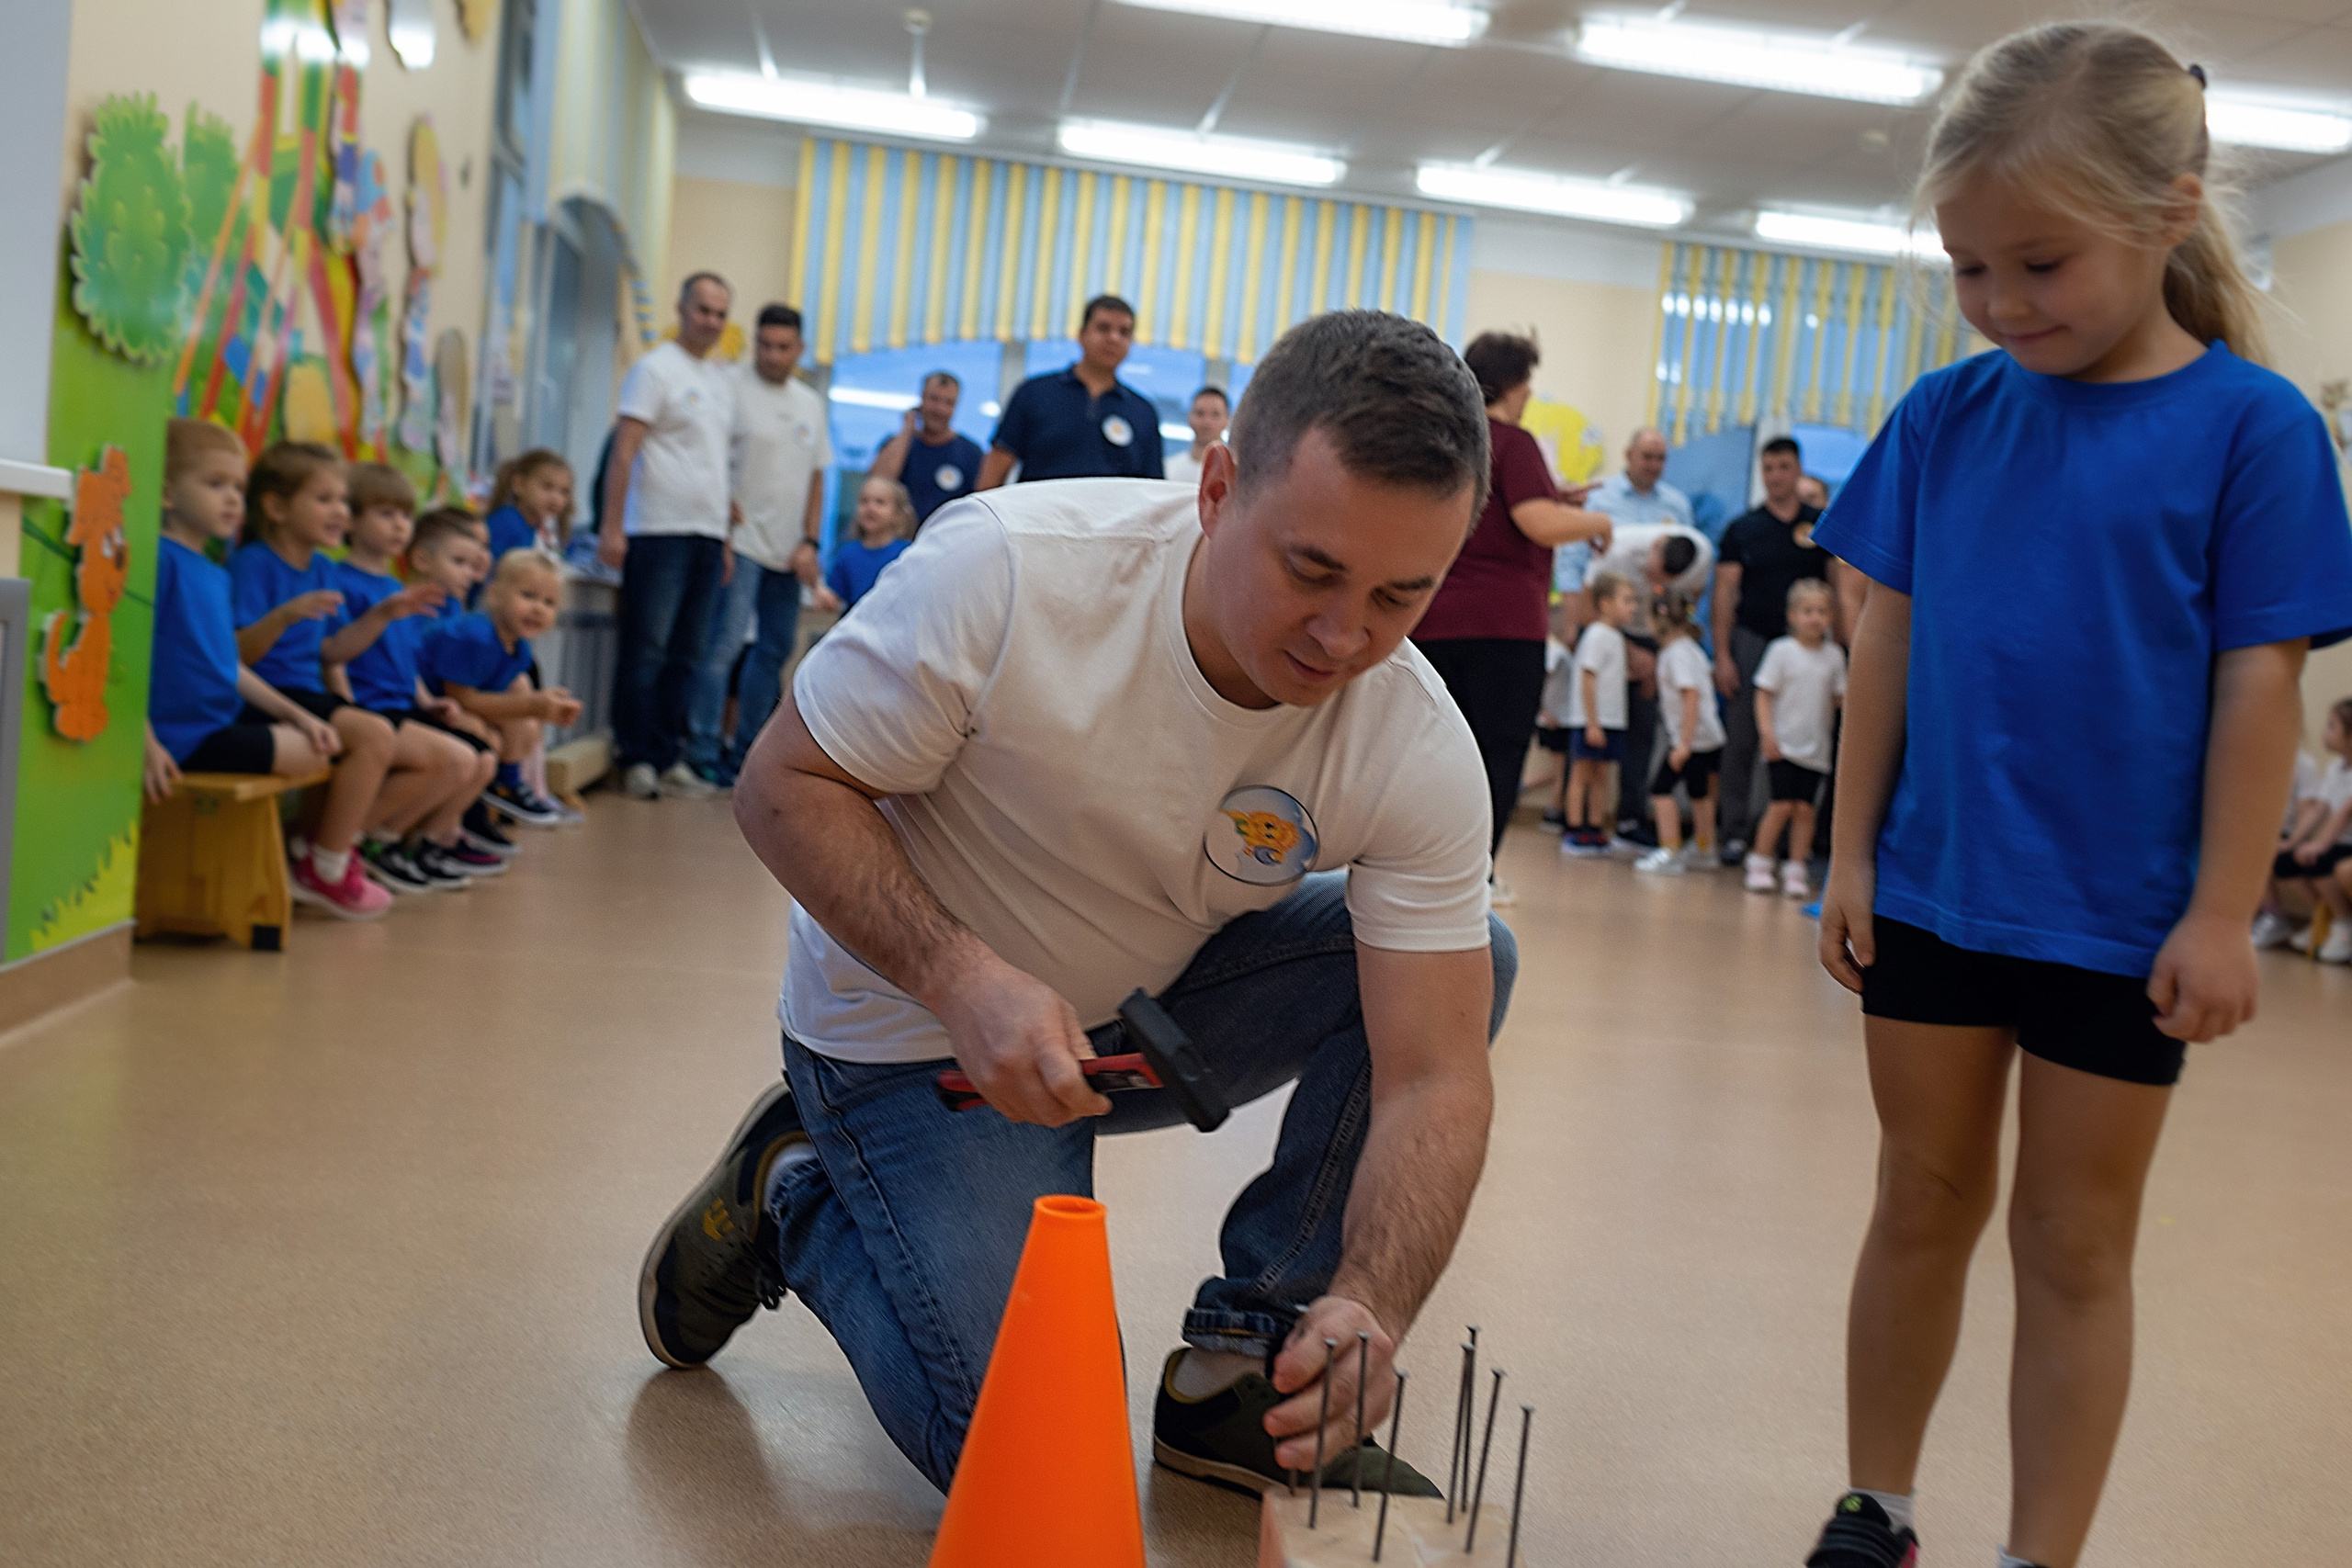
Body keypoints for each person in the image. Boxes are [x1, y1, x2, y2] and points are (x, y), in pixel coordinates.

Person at [636, 310, 1514, 1506]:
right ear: (1215, 489)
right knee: (1045, 1466)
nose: (1344, 635)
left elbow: (1432, 1074)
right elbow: (783, 786)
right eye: (1310, 569)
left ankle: (1247, 1368)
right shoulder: (1008, 567)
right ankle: (793, 1190)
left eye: (1400, 596)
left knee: (1476, 957)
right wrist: (958, 974)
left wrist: (1371, 1294)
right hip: (912, 1035)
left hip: (1144, 1009)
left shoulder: (1413, 736)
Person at [1810, 22, 2352, 1568]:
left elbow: (2263, 683)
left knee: (2071, 1237)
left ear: (2167, 215)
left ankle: (2037, 1552)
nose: (2000, 304)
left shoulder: (2255, 430)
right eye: (1970, 268)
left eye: (2040, 264)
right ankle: (1877, 1506)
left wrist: (2224, 912)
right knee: (1919, 1196)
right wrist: (1848, 854)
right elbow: (1887, 634)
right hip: (1932, 888)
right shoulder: (1945, 417)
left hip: (2122, 919)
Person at [144, 423, 388, 919]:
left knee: (318, 742)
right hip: (181, 737)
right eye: (215, 485)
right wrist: (145, 742)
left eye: (237, 486)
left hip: (215, 724)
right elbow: (124, 659)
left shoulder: (210, 570)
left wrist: (295, 714)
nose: (233, 499)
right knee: (319, 750)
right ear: (166, 493)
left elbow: (224, 665)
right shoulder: (160, 560)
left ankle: (314, 862)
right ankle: (314, 864)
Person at [1411, 331, 1613, 905]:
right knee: (1494, 755)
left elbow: (1510, 508)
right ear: (1513, 383)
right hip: (1502, 629)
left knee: (1429, 751)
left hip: (1436, 621)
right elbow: (1537, 524)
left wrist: (1556, 499)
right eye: (1527, 382)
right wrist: (1598, 523)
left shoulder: (1455, 439)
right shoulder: (1516, 442)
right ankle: (1474, 875)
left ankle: (1412, 865)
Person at [230, 443, 447, 919]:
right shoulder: (254, 563)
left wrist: (384, 614)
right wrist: (283, 616)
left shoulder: (323, 568)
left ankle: (322, 852)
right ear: (276, 507)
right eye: (325, 500)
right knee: (372, 735)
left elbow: (332, 650)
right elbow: (238, 655)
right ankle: (326, 864)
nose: (340, 513)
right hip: (263, 695)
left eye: (343, 502)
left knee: (381, 738)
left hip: (304, 691)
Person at [327, 463, 504, 891]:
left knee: (474, 757)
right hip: (369, 708)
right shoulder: (338, 580)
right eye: (386, 514)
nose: (400, 526)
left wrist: (426, 701)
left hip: (401, 705)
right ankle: (352, 841)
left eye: (405, 516)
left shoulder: (394, 587)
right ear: (351, 519)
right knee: (457, 759)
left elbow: (403, 658)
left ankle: (388, 841)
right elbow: (333, 655)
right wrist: (347, 709)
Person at [600, 272, 737, 803]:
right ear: (681, 308)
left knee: (688, 653)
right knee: (647, 649)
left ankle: (668, 754)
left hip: (706, 535)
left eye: (721, 313)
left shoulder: (721, 381)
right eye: (703, 309)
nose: (711, 321)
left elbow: (719, 466)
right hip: (657, 530)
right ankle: (634, 757)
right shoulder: (654, 370)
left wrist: (724, 538)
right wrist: (613, 526)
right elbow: (624, 452)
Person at [694, 303, 830, 787]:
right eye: (764, 345)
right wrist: (723, 527)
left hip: (788, 550)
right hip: (740, 541)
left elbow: (817, 479)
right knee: (724, 646)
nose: (771, 355)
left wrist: (811, 541)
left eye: (782, 347)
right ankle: (703, 749)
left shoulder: (810, 403)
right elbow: (709, 460)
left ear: (800, 349)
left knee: (773, 650)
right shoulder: (729, 388)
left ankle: (748, 754)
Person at [1713, 435, 1828, 863]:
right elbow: (1725, 594)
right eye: (1769, 468)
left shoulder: (1821, 526)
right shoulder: (1744, 529)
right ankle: (1736, 833)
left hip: (1810, 649)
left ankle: (1794, 840)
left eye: (1784, 467)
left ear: (1798, 470)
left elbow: (1839, 589)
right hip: (1753, 643)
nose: (1776, 476)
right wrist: (1723, 654)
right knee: (1743, 739)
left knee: (1806, 742)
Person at [1581, 521, 1715, 842]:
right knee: (1599, 735)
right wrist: (1629, 651)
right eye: (1654, 573)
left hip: (1658, 639)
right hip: (1619, 636)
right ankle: (1584, 822)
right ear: (1656, 546)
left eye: (1664, 581)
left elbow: (1690, 601)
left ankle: (1630, 819)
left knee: (1642, 735)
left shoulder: (1701, 556)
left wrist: (1660, 649)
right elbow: (1589, 603)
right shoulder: (1618, 549)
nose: (1655, 583)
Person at [420, 553, 584, 800]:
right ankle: (500, 790)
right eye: (528, 596)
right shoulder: (475, 636)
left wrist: (539, 708)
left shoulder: (521, 650)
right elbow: (461, 699)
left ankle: (509, 784)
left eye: (549, 603)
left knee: (525, 720)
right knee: (488, 734)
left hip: (452, 704)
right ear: (495, 594)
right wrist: (532, 705)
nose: (538, 609)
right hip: (422, 701)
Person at [977, 295, 1164, 487]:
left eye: (1124, 332)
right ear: (1082, 335)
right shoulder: (1035, 393)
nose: (1114, 338)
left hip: (1112, 516)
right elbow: (998, 464)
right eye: (1103, 328)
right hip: (1040, 514)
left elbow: (1151, 488)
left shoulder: (1143, 413)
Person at [1747, 579, 1845, 899]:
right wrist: (1767, 734)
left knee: (1806, 810)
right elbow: (1764, 695)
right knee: (1780, 805)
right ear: (1792, 615)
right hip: (1783, 745)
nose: (1815, 618)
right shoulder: (1781, 651)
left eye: (1822, 611)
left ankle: (1795, 868)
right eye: (1807, 611)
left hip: (1816, 749)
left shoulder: (1833, 656)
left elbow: (1839, 698)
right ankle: (1760, 862)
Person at [1634, 591, 1724, 874]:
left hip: (1693, 739)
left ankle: (1669, 849)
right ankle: (1704, 847)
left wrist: (1683, 743)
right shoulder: (1689, 649)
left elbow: (1691, 696)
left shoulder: (1677, 654)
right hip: (1707, 736)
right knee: (1699, 795)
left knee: (1660, 791)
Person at [2267, 697, 2352, 962]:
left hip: (2343, 843)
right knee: (2285, 862)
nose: (2324, 732)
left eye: (2331, 726)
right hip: (2338, 842)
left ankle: (2343, 923)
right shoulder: (2336, 769)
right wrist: (2293, 843)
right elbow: (2319, 809)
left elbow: (2343, 813)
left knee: (2319, 861)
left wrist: (2320, 845)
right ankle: (2322, 919)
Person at [1561, 573, 1635, 857]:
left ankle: (1595, 828)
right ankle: (1574, 829)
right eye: (1626, 600)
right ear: (1605, 603)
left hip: (1612, 720)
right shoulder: (1596, 635)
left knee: (1602, 775)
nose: (1633, 607)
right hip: (1592, 720)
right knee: (1581, 773)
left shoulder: (1616, 637)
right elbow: (1588, 678)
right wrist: (1592, 722)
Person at [870, 370, 984, 526]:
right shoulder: (897, 444)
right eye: (934, 399)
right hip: (900, 542)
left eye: (948, 403)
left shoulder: (971, 454)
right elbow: (877, 483)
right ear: (921, 399)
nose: (940, 409)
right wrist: (907, 430)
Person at [2250, 743, 2324, 950]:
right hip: (2266, 832)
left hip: (2291, 834)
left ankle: (2323, 919)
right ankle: (2271, 915)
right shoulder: (2257, 758)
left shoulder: (2303, 764)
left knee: (2272, 858)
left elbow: (2307, 810)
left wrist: (2292, 842)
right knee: (2249, 851)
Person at [820, 478, 915, 613]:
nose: (870, 508)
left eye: (880, 502)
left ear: (898, 514)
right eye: (864, 501)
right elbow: (835, 597)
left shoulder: (907, 553)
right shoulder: (847, 554)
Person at [483, 449, 574, 567]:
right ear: (519, 485)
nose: (556, 498)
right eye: (547, 487)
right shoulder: (506, 522)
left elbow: (566, 557)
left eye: (564, 492)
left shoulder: (551, 525)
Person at [1163, 385, 1230, 486]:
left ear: (1227, 420)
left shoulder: (1234, 475)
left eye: (1215, 414)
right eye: (1200, 413)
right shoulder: (1168, 469)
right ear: (1189, 417)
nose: (1207, 422)